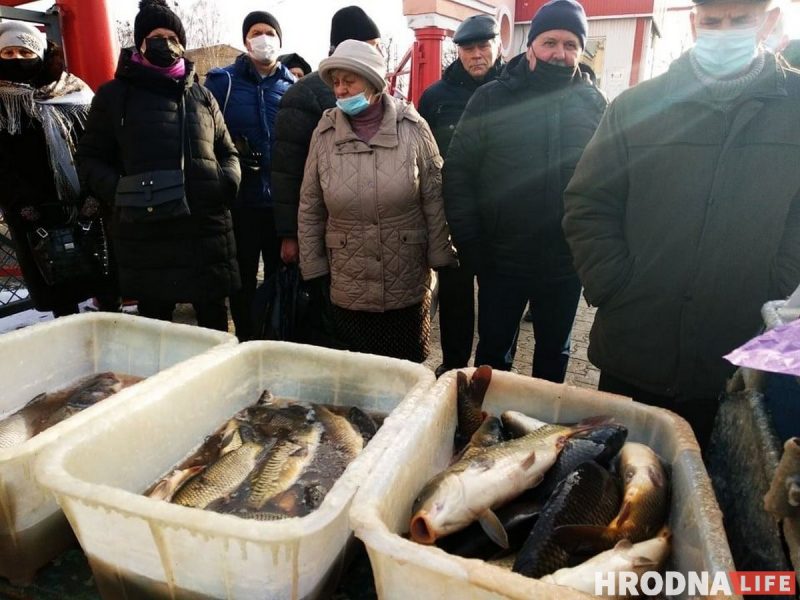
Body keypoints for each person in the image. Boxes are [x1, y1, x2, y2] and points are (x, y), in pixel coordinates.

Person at [562, 0, 798, 449]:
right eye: (712, 21)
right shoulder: (638, 105)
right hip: (634, 345)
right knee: (615, 475)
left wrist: (779, 286)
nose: (724, 32)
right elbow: (589, 201)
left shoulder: (796, 109)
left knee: (708, 483)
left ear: (769, 22)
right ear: (693, 23)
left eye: (740, 20)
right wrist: (613, 284)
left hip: (737, 352)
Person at [443, 0, 606, 383]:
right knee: (493, 355)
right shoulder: (491, 98)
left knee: (554, 356)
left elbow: (608, 182)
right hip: (501, 260)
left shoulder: (594, 105)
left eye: (570, 45)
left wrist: (591, 251)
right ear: (530, 45)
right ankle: (485, 418)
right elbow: (459, 174)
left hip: (564, 265)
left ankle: (540, 420)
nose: (559, 53)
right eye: (550, 42)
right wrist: (471, 244)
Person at [77, 0, 240, 332]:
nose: (165, 44)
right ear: (140, 43)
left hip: (206, 231)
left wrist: (226, 181)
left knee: (214, 331)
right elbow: (89, 158)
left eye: (173, 38)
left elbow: (227, 150)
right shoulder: (113, 96)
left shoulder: (202, 95)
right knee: (157, 334)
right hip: (147, 235)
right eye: (156, 37)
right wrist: (122, 192)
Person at [298, 40, 456, 362]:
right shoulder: (324, 134)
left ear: (372, 82)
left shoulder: (413, 128)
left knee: (405, 372)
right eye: (336, 82)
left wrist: (441, 257)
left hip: (406, 281)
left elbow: (433, 197)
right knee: (356, 374)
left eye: (349, 81)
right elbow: (310, 206)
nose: (340, 90)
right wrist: (313, 268)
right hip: (349, 281)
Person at [0, 22, 118, 317]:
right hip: (31, 209)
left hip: (88, 200)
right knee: (56, 282)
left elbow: (100, 144)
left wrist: (95, 192)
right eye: (8, 53)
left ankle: (112, 319)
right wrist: (21, 203)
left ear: (40, 53)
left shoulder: (75, 90)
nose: (17, 59)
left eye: (24, 51)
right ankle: (67, 329)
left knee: (105, 272)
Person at [417, 15, 504, 377]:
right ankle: (453, 368)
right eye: (468, 48)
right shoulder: (436, 97)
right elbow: (421, 155)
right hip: (452, 215)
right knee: (455, 299)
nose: (476, 55)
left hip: (500, 216)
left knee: (498, 300)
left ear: (498, 46)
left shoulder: (513, 90)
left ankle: (490, 371)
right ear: (458, 52)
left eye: (484, 46)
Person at [205, 12, 294, 340]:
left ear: (280, 40)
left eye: (270, 32)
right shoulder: (223, 82)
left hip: (279, 204)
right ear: (246, 40)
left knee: (279, 280)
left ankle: (275, 341)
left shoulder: (291, 86)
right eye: (256, 32)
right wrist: (230, 156)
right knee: (240, 280)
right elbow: (205, 134)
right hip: (240, 203)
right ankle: (245, 340)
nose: (264, 38)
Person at [272, 6, 381, 268]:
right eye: (372, 46)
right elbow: (287, 171)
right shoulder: (303, 95)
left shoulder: (375, 94)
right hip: (323, 220)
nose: (377, 53)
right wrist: (290, 234)